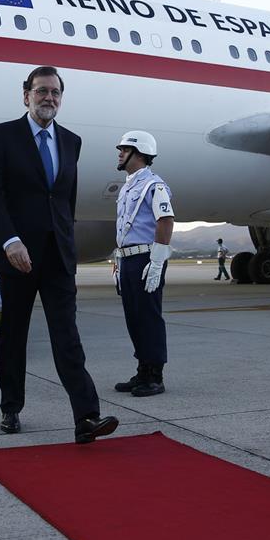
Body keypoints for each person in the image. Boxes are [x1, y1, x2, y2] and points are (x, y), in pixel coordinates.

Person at [0, 65, 119, 443]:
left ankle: (87, 416)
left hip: (57, 255)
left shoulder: (71, 141)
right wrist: (10, 240)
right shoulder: (3, 135)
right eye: (41, 91)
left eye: (55, 92)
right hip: (16, 255)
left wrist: (69, 244)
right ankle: (11, 407)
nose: (49, 98)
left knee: (67, 335)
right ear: (26, 95)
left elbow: (63, 201)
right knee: (14, 334)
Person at [111, 131, 175, 397]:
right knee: (133, 317)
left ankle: (155, 376)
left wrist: (158, 261)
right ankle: (142, 370)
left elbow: (166, 221)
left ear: (139, 154)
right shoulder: (128, 186)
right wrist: (117, 262)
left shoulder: (154, 186)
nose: (119, 153)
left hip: (146, 257)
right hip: (128, 258)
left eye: (124, 149)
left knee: (148, 317)